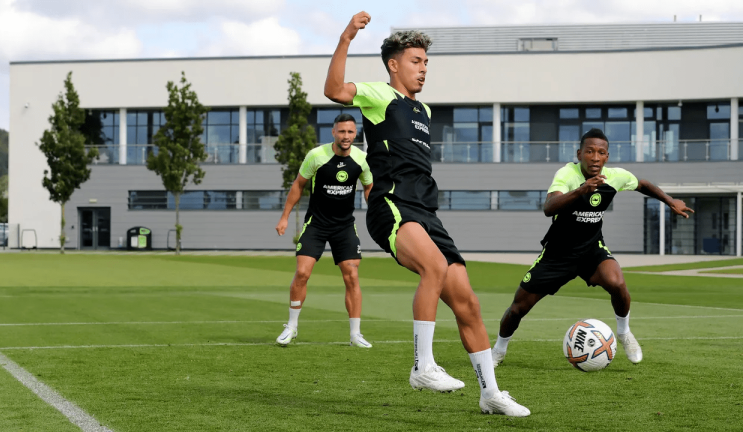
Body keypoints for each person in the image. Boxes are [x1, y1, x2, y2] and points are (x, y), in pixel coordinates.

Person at [324, 12, 530, 417]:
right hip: (392, 206)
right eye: (416, 61)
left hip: (426, 213)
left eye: (426, 63)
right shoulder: (378, 96)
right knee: (433, 267)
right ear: (394, 64)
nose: (423, 69)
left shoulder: (425, 111)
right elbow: (333, 89)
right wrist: (347, 36)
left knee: (468, 303)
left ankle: (490, 393)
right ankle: (423, 366)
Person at [491, 128, 694, 368]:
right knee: (518, 308)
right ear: (579, 154)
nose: (595, 157)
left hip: (591, 250)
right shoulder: (567, 174)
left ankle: (624, 333)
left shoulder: (615, 177)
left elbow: (643, 184)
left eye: (601, 152)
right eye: (589, 151)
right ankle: (498, 351)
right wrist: (580, 190)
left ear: (607, 157)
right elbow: (549, 207)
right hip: (558, 254)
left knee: (617, 283)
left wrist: (670, 201)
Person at [274, 114, 374, 349]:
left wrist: (377, 213)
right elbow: (298, 184)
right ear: (333, 132)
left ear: (355, 134)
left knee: (352, 275)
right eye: (342, 132)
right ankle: (291, 327)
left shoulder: (362, 159)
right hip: (316, 224)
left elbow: (369, 187)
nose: (346, 136)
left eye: (350, 132)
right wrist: (285, 217)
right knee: (302, 273)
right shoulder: (316, 155)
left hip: (344, 226)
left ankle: (355, 334)